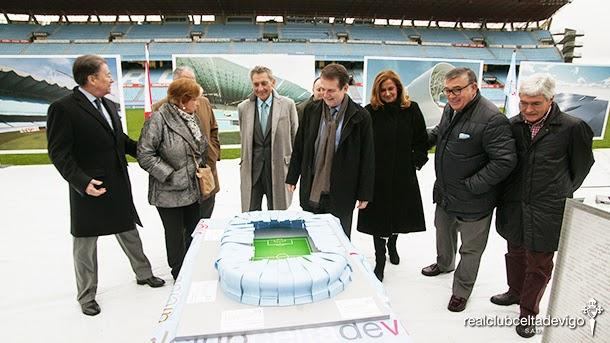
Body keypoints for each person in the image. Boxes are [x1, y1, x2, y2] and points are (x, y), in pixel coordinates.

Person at [46, 54, 164, 317]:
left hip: (118, 184)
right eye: (107, 74)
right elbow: (58, 153)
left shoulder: (109, 105)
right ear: (91, 79)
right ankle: (86, 295)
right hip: (90, 188)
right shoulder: (63, 108)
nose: (111, 79)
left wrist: (147, 152)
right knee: (85, 245)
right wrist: (82, 182)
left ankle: (143, 274)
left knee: (129, 231)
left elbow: (118, 140)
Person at [491, 74, 594, 338]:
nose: (527, 109)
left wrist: (558, 191)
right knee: (514, 253)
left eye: (535, 103)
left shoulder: (573, 128)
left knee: (539, 264)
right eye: (523, 103)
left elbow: (580, 168)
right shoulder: (512, 125)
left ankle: (528, 313)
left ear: (550, 100)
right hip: (515, 206)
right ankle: (514, 292)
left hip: (548, 209)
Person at [420, 67, 517, 312]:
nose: (452, 95)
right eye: (448, 91)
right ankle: (444, 264)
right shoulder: (450, 109)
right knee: (443, 233)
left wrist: (473, 185)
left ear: (474, 87)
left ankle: (461, 291)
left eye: (457, 90)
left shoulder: (492, 118)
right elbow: (441, 133)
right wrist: (420, 140)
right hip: (445, 194)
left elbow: (504, 161)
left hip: (474, 201)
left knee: (470, 249)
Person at [286, 63, 375, 238]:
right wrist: (292, 175)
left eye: (331, 91)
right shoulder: (311, 110)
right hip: (312, 188)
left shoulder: (361, 116)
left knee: (339, 240)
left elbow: (367, 156)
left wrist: (364, 192)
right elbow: (300, 145)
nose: (325, 95)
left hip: (343, 190)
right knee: (311, 239)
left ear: (345, 88)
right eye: (322, 89)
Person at [357, 70, 429, 281]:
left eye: (391, 88)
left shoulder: (411, 109)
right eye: (383, 90)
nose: (388, 93)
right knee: (377, 219)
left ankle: (393, 244)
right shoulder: (369, 112)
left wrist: (416, 162)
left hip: (402, 174)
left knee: (398, 215)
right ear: (376, 92)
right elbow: (363, 145)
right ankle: (380, 259)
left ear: (398, 88)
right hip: (377, 176)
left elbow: (421, 140)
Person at [138, 78, 209, 280]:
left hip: (191, 188)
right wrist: (169, 174)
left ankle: (192, 264)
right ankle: (179, 271)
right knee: (175, 235)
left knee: (193, 230)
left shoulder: (191, 117)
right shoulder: (158, 119)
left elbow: (198, 147)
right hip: (168, 192)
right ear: (184, 100)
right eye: (195, 99)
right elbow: (144, 154)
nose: (198, 103)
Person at [152, 66, 220, 219]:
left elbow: (213, 130)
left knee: (204, 224)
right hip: (180, 184)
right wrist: (169, 174)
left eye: (194, 81)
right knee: (184, 231)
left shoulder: (204, 102)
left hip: (206, 176)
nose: (193, 86)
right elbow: (151, 150)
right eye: (188, 82)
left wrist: (213, 155)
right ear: (176, 84)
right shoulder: (160, 108)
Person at [238, 65, 298, 212]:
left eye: (264, 83)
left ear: (273, 82)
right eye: (256, 84)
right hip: (252, 171)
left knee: (278, 216)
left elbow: (294, 138)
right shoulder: (243, 108)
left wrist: (294, 171)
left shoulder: (287, 105)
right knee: (250, 216)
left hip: (279, 170)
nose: (260, 88)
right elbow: (244, 138)